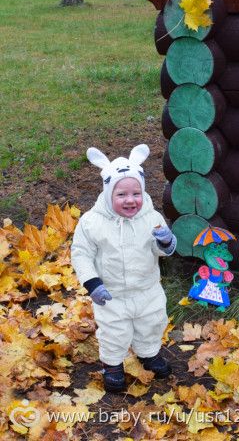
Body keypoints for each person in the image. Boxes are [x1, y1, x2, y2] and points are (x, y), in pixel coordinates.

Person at [71, 144, 176, 393]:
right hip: (110, 293)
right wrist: (92, 283)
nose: (130, 200)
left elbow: (159, 249)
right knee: (113, 331)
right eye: (121, 195)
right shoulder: (91, 222)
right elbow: (81, 253)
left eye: (136, 193)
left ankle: (148, 354)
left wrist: (165, 242)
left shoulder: (152, 218)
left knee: (151, 323)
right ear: (108, 193)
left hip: (147, 288)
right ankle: (113, 365)